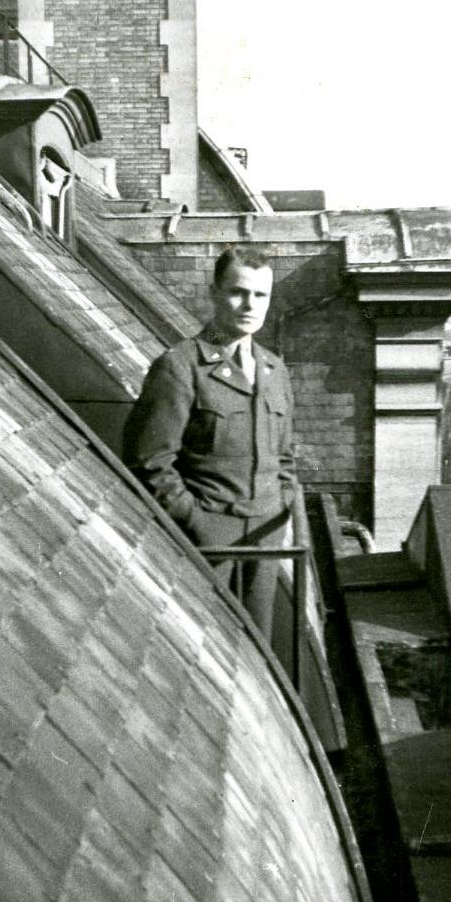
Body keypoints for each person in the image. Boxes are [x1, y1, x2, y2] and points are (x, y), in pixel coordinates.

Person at [122, 246, 297, 642]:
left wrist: (282, 506)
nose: (249, 304)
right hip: (207, 544)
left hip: (264, 543)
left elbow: (285, 458)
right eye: (238, 292)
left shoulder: (274, 370)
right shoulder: (180, 366)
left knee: (258, 655)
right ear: (215, 293)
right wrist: (197, 524)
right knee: (204, 650)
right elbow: (147, 461)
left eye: (261, 295)